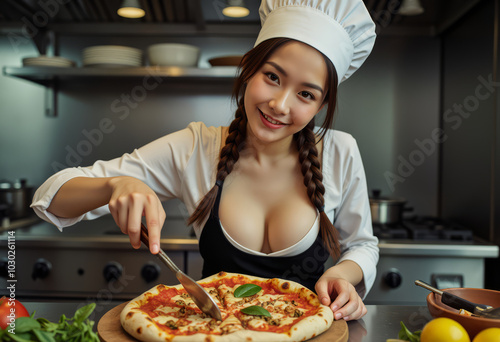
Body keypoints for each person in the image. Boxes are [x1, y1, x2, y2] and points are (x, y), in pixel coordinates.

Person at [32, 0, 379, 321]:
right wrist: (114, 185)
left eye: (306, 94)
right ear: (248, 70)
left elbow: (362, 245)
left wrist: (341, 275)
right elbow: (51, 196)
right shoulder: (196, 148)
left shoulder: (340, 151)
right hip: (213, 334)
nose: (280, 105)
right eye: (272, 77)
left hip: (307, 332)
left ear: (320, 106)